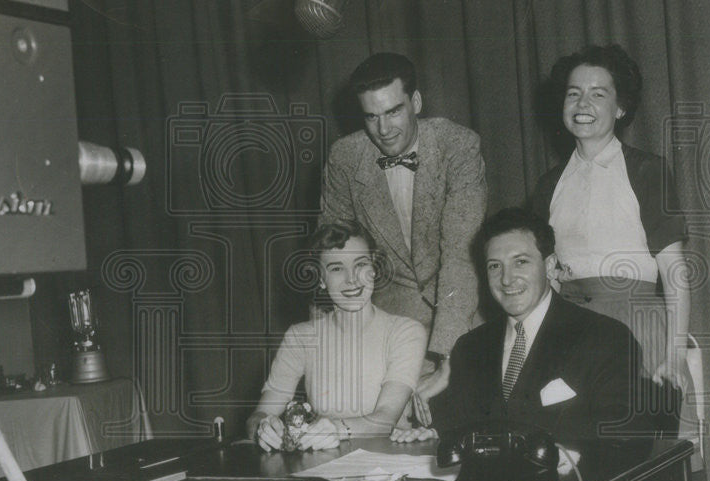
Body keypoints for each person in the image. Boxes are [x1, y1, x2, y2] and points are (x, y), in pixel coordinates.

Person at [320, 52, 487, 424]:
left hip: (459, 316)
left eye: (393, 111)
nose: (383, 129)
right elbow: (333, 254)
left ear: (416, 103)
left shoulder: (458, 145)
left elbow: (460, 253)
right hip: (388, 325)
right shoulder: (345, 157)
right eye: (371, 116)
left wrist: (447, 357)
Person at [392, 208, 643, 444]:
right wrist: (432, 435)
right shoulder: (470, 347)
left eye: (520, 262)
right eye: (494, 266)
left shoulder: (605, 337)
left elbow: (621, 433)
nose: (506, 279)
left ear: (549, 266)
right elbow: (458, 421)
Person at [529, 44, 689, 388]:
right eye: (574, 94)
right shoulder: (548, 185)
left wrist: (674, 356)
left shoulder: (648, 171)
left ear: (620, 108)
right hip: (569, 334)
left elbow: (675, 273)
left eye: (597, 94)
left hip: (636, 329)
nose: (582, 104)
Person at [247, 221, 427, 452]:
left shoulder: (405, 331)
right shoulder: (300, 336)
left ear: (374, 268)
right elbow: (260, 414)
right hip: (323, 465)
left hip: (387, 463)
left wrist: (336, 428)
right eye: (336, 268)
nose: (352, 279)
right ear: (321, 279)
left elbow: (385, 420)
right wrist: (263, 427)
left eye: (361, 264)